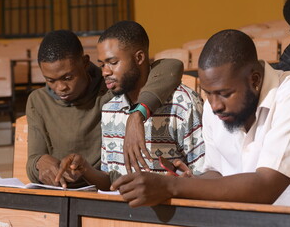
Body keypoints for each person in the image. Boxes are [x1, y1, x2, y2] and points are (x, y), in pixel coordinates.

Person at [110, 29, 290, 208]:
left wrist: (171, 187)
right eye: (207, 93)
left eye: (225, 93)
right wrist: (190, 182)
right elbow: (218, 173)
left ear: (255, 80)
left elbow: (265, 188)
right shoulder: (216, 105)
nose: (214, 106)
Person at [55, 21, 205, 189]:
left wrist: (175, 183)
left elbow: (204, 175)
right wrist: (86, 169)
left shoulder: (182, 103)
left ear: (139, 58)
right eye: (102, 64)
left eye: (113, 62)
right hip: (122, 212)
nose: (105, 71)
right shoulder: (110, 108)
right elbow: (112, 181)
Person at [26, 30, 184, 187]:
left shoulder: (110, 89)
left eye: (68, 78)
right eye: (50, 80)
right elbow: (32, 162)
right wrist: (39, 163)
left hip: (103, 185)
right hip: (62, 191)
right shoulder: (38, 101)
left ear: (85, 63)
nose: (60, 87)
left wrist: (138, 113)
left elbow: (172, 66)